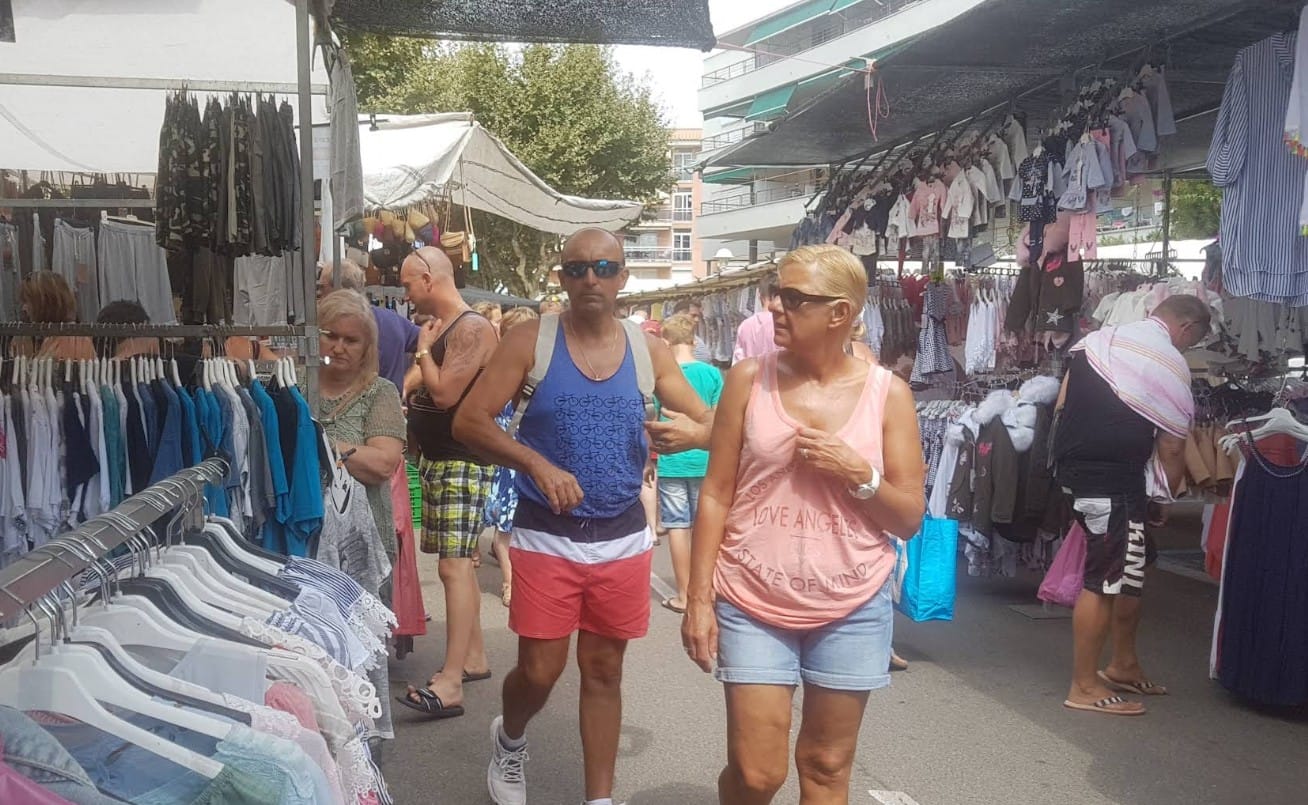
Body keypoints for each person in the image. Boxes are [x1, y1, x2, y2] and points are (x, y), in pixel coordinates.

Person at [453, 227, 714, 805]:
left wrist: (695, 433)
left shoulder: (647, 351)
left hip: (622, 535)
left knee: (603, 672)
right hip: (547, 533)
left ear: (623, 277)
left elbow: (712, 422)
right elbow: (468, 421)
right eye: (576, 269)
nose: (590, 279)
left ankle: (600, 799)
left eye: (603, 267)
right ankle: (510, 737)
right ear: (562, 277)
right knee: (540, 671)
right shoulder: (531, 341)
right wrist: (536, 463)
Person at [682, 244, 926, 804]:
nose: (774, 307)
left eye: (793, 298)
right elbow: (715, 494)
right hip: (751, 596)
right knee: (756, 773)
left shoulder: (889, 396)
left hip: (851, 602)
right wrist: (698, 599)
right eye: (776, 293)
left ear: (839, 313)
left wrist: (858, 473)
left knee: (826, 766)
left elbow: (908, 517)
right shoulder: (748, 380)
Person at [1052, 294, 1210, 716]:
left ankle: (1123, 663)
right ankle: (1083, 686)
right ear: (1186, 328)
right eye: (1192, 343)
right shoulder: (1167, 360)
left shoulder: (1098, 341)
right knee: (1105, 580)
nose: (1186, 349)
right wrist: (1164, 496)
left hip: (1077, 469)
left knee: (1133, 563)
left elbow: (1062, 404)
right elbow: (1172, 446)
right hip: (1111, 480)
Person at [396, 246, 498, 719]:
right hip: (441, 459)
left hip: (462, 461)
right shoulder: (449, 327)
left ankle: (452, 681)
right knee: (456, 568)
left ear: (428, 278)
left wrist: (421, 350)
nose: (406, 294)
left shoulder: (471, 328)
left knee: (455, 567)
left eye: (407, 284)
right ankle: (472, 657)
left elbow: (443, 391)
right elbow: (419, 382)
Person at [312, 290, 407, 561]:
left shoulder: (380, 392)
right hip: (305, 537)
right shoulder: (293, 386)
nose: (338, 347)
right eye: (330, 336)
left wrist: (316, 443)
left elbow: (383, 464)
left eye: (351, 340)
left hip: (364, 546)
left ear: (367, 346)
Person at [655, 313, 723, 614]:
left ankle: (683, 594)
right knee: (705, 527)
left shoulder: (663, 376)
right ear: (693, 341)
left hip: (671, 458)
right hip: (706, 458)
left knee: (677, 526)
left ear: (666, 342)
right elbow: (719, 418)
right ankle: (706, 591)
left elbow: (654, 414)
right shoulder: (712, 374)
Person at [483, 306, 540, 608]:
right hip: (513, 459)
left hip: (525, 459)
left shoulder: (541, 372)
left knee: (513, 528)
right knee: (507, 527)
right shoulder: (497, 371)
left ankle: (519, 583)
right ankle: (510, 582)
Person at [317, 259, 420, 394]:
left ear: (337, 288)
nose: (319, 294)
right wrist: (406, 385)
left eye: (322, 287)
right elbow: (429, 345)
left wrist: (407, 384)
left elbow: (430, 345)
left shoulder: (332, 325)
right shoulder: (393, 319)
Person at [13, 271, 95, 360]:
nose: (24, 308)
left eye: (27, 301)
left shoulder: (69, 344)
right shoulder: (55, 338)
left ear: (45, 303)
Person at [731, 275, 780, 363]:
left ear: (759, 296)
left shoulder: (745, 326)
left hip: (751, 371)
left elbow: (737, 362)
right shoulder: (783, 323)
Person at [671, 298, 714, 363]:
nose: (697, 320)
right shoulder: (670, 340)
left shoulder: (692, 336)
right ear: (680, 314)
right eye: (693, 315)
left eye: (698, 316)